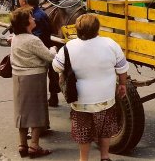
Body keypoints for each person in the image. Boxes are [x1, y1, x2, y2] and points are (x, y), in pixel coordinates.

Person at [52, 14, 129, 161]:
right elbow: (122, 69)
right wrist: (123, 85)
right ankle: (105, 157)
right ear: (97, 29)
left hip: (80, 100)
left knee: (83, 131)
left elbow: (57, 67)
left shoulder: (68, 47)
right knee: (105, 129)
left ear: (78, 29)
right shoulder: (111, 44)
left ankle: (83, 159)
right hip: (106, 98)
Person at [10, 6, 57, 158]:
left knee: (22, 112)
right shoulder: (33, 40)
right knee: (37, 112)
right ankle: (34, 146)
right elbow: (49, 57)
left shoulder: (15, 39)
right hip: (34, 78)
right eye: (31, 18)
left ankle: (22, 145)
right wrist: (54, 50)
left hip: (18, 78)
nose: (34, 19)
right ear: (25, 23)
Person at [19, 0, 61, 107]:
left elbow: (36, 39)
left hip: (40, 56)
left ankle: (39, 112)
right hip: (45, 50)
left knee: (36, 86)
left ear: (23, 1)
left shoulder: (35, 17)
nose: (18, 0)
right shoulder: (37, 13)